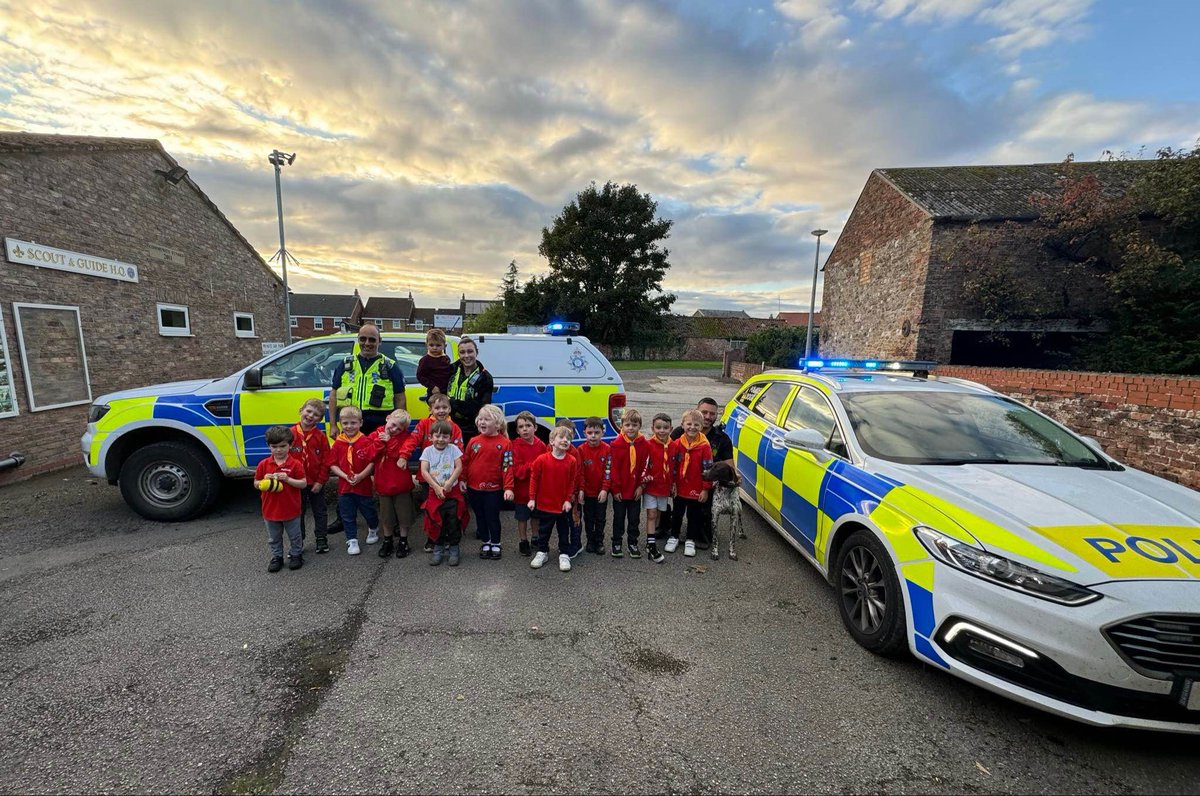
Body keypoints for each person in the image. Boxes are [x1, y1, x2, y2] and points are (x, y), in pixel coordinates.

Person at [398, 392, 464, 551]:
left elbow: (461, 455)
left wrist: (462, 478)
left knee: (450, 512)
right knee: (431, 511)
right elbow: (412, 441)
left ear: (449, 408)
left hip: (449, 481)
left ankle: (448, 538)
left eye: (444, 407)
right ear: (430, 409)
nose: (441, 411)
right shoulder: (423, 424)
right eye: (437, 407)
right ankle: (433, 538)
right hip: (429, 479)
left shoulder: (455, 428)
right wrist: (403, 456)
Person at [668, 397, 734, 552]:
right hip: (680, 482)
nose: (708, 417)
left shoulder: (720, 438)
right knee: (675, 510)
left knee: (696, 513)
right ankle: (666, 528)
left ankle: (696, 534)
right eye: (704, 412)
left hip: (705, 483)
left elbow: (729, 465)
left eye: (712, 414)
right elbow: (668, 457)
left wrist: (733, 479)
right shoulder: (679, 434)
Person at [329, 324, 406, 434]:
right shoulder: (346, 364)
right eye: (363, 339)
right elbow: (333, 395)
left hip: (380, 428)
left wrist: (400, 428)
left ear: (379, 341)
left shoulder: (390, 367)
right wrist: (333, 425)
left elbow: (400, 399)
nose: (367, 343)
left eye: (372, 340)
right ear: (358, 340)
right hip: (351, 426)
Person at [326, 406, 380, 556]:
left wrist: (362, 476)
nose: (349, 426)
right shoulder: (338, 443)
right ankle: (352, 539)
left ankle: (373, 528)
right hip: (345, 486)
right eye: (345, 423)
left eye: (353, 423)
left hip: (363, 485)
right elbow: (332, 464)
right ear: (340, 424)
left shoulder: (366, 441)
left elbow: (372, 462)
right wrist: (344, 476)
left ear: (360, 423)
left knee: (368, 511)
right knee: (347, 514)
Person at [463, 404, 514, 560]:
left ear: (497, 424)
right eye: (480, 419)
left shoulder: (505, 443)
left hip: (494, 489)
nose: (482, 422)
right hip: (474, 488)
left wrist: (508, 487)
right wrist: (462, 479)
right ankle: (486, 541)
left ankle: (496, 543)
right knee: (480, 516)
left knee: (492, 516)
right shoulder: (473, 441)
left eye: (487, 419)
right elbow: (465, 461)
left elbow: (507, 466)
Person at [255, 425, 308, 572]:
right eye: (274, 446)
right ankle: (277, 557)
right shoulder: (264, 464)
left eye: (283, 446)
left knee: (295, 536)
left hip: (291, 509)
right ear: (269, 446)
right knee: (274, 538)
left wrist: (288, 479)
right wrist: (264, 481)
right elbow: (256, 483)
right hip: (270, 510)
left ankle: (296, 554)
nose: (278, 450)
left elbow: (303, 483)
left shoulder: (295, 464)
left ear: (290, 445)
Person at [528, 426, 581, 573]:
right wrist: (532, 498)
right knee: (544, 530)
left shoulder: (571, 461)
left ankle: (564, 554)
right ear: (552, 441)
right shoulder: (541, 460)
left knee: (564, 531)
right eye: (562, 437)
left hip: (562, 506)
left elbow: (572, 482)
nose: (565, 440)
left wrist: (567, 500)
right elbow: (534, 479)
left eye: (568, 438)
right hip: (545, 505)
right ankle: (542, 552)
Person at [420, 419, 468, 567]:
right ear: (431, 436)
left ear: (450, 438)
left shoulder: (453, 449)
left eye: (445, 436)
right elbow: (424, 470)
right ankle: (438, 549)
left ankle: (454, 550)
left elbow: (459, 467)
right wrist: (435, 486)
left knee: (453, 521)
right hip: (435, 493)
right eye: (437, 436)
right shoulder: (428, 451)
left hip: (451, 492)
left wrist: (448, 483)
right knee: (435, 522)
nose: (441, 439)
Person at [370, 408, 416, 559]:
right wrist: (379, 442)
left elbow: (400, 454)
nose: (394, 429)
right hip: (383, 484)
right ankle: (387, 540)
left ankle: (403, 541)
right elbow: (369, 454)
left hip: (401, 484)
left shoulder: (406, 438)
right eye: (393, 424)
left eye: (399, 428)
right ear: (387, 418)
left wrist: (390, 442)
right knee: (386, 516)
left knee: (404, 516)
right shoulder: (375, 434)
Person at [669, 409, 714, 558]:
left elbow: (708, 470)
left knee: (694, 515)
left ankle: (690, 540)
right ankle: (674, 536)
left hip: (696, 487)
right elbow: (673, 466)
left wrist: (705, 489)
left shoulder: (705, 446)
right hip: (680, 486)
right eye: (689, 424)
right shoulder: (677, 444)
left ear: (702, 427)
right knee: (677, 513)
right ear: (682, 425)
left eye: (696, 424)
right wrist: (673, 483)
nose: (692, 427)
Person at [607, 408, 651, 559]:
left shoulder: (645, 445)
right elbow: (613, 469)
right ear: (622, 427)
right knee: (618, 518)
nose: (631, 428)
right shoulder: (616, 445)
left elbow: (646, 466)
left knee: (634, 519)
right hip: (620, 490)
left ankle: (633, 542)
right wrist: (615, 489)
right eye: (627, 425)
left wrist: (641, 486)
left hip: (635, 490)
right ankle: (616, 542)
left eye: (634, 425)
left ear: (639, 426)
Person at [291, 398, 331, 554]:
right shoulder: (290, 434)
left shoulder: (320, 437)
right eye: (308, 411)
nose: (310, 416)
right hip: (296, 483)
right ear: (301, 410)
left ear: (320, 419)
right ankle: (298, 542)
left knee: (320, 511)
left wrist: (320, 481)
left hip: (315, 483)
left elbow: (326, 461)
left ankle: (321, 539)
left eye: (315, 414)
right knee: (297, 513)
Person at [509, 410, 547, 557]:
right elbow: (517, 470)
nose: (525, 429)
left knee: (536, 516)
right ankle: (523, 540)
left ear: (535, 428)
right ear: (517, 431)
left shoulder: (541, 445)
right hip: (522, 490)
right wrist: (533, 466)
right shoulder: (515, 446)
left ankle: (535, 537)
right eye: (521, 427)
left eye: (528, 425)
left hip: (538, 490)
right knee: (522, 517)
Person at [446, 335, 494, 440]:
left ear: (477, 352)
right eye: (462, 352)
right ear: (458, 354)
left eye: (470, 351)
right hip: (449, 425)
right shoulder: (451, 370)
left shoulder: (485, 377)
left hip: (470, 428)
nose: (466, 356)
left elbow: (481, 408)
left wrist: (453, 403)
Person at [642, 412, 673, 564]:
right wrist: (644, 477)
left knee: (660, 513)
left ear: (671, 428)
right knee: (651, 514)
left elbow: (676, 467)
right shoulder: (648, 444)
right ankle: (651, 545)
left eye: (665, 428)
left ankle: (652, 537)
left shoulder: (674, 446)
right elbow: (643, 463)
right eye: (658, 427)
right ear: (652, 428)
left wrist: (674, 484)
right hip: (651, 486)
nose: (662, 431)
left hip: (664, 487)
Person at [578, 416, 611, 555]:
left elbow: (608, 472)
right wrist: (581, 490)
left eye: (596, 433)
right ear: (584, 432)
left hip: (600, 493)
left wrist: (604, 489)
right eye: (590, 433)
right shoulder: (580, 450)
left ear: (603, 433)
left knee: (600, 518)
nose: (593, 436)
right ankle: (590, 541)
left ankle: (599, 541)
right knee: (588, 517)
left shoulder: (607, 449)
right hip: (587, 493)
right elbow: (580, 473)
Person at [556, 417, 585, 557]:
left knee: (575, 519)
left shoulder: (575, 452)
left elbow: (578, 474)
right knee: (562, 521)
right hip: (558, 494)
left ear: (573, 435)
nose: (565, 439)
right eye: (562, 435)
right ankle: (564, 544)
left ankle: (576, 544)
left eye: (569, 434)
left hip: (572, 494)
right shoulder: (550, 450)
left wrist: (578, 491)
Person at [416, 327, 453, 402]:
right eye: (431, 345)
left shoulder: (446, 358)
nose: (434, 348)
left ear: (444, 346)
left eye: (438, 345)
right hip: (433, 392)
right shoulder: (425, 360)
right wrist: (432, 386)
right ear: (426, 345)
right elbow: (420, 376)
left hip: (447, 392)